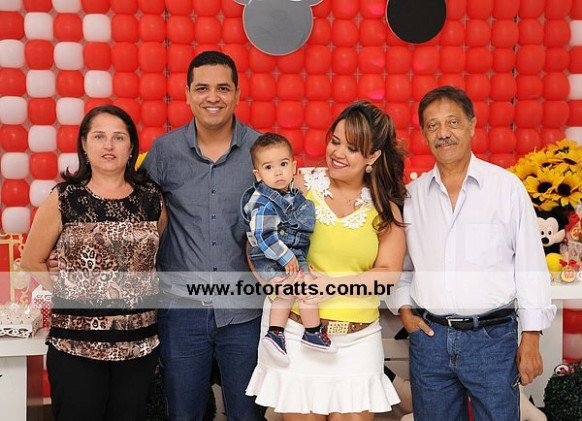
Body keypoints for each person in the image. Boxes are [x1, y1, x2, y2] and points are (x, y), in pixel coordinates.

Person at [389, 86, 556, 421]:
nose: (443, 133)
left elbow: (530, 266)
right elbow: (402, 265)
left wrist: (532, 336)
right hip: (430, 340)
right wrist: (404, 310)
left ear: (471, 125)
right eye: (433, 125)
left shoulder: (506, 188)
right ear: (424, 133)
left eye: (453, 122)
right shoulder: (412, 196)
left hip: (492, 339)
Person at [246, 101, 407, 420]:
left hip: (358, 343)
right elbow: (256, 240)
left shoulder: (384, 208)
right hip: (297, 337)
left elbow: (388, 274)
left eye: (352, 148)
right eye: (335, 141)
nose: (338, 153)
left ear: (373, 156)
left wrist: (333, 286)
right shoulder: (297, 186)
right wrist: (275, 281)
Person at [21, 105, 167, 421]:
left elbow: (156, 258)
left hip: (138, 345)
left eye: (119, 137)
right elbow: (31, 260)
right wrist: (70, 292)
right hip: (76, 347)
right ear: (85, 145)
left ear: (131, 147)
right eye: (99, 136)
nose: (109, 145)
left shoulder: (152, 198)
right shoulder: (65, 198)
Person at [142, 51, 266, 421]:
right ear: (187, 94)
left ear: (238, 94)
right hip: (181, 313)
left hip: (245, 313)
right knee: (183, 414)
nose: (213, 97)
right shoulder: (164, 151)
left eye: (223, 88)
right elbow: (136, 215)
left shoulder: (262, 150)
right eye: (202, 88)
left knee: (247, 415)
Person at [241, 133, 334, 365]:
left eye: (283, 164)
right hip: (271, 255)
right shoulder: (262, 202)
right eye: (269, 167)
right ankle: (288, 332)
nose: (278, 172)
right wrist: (286, 256)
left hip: (288, 251)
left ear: (294, 167)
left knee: (300, 287)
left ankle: (301, 332)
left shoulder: (291, 195)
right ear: (258, 174)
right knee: (294, 288)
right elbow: (263, 236)